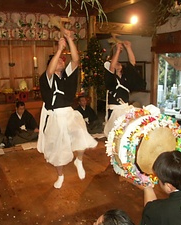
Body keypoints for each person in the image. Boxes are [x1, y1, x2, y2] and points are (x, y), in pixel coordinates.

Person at [37, 28, 97, 189]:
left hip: (69, 113)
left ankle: (79, 161)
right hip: (55, 116)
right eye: (58, 61)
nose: (62, 62)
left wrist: (70, 39)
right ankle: (60, 176)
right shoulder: (47, 77)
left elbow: (76, 60)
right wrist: (59, 50)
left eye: (63, 61)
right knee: (58, 149)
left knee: (81, 136)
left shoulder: (67, 76)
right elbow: (50, 70)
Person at [104, 41, 146, 136]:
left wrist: (128, 48)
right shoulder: (111, 79)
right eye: (115, 62)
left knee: (127, 132)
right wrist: (118, 50)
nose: (117, 63)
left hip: (125, 108)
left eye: (119, 62)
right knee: (114, 134)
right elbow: (111, 67)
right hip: (115, 110)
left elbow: (132, 63)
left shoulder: (126, 77)